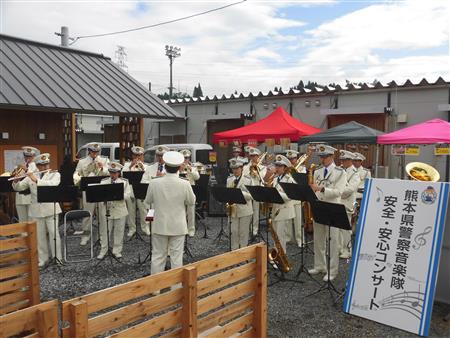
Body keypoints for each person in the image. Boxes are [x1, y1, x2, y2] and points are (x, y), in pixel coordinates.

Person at [145, 151, 196, 282]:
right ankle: (176, 287)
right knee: (176, 257)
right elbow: (191, 202)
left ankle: (156, 288)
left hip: (159, 224)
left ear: (164, 166)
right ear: (179, 167)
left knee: (157, 256)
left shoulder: (154, 182)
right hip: (178, 225)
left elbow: (148, 200)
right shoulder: (184, 183)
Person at [12, 153, 62, 267]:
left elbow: (53, 185)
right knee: (39, 236)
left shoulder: (55, 174)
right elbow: (19, 187)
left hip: (51, 209)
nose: (44, 167)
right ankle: (43, 259)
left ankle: (57, 258)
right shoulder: (31, 176)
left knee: (54, 234)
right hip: (36, 210)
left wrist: (36, 180)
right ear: (38, 166)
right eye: (42, 165)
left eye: (46, 164)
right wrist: (16, 180)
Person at [308, 145, 347, 281]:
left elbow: (338, 192)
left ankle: (332, 271)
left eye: (325, 157)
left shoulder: (340, 172)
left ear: (332, 157)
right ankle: (319, 265)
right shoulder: (317, 171)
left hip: (332, 208)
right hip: (319, 207)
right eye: (321, 157)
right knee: (318, 239)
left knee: (332, 241)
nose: (322, 159)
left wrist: (321, 189)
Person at [73, 143, 109, 246]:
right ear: (89, 151)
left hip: (101, 189)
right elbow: (76, 174)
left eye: (97, 152)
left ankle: (102, 237)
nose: (95, 154)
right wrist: (80, 181)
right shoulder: (82, 161)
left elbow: (109, 173)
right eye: (93, 152)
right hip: (88, 189)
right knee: (87, 214)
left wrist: (102, 168)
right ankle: (85, 236)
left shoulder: (105, 160)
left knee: (102, 215)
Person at [97, 162, 132, 259]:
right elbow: (99, 195)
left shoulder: (124, 182)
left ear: (119, 173)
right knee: (105, 231)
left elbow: (128, 195)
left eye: (115, 173)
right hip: (107, 209)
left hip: (120, 209)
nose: (113, 175)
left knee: (119, 231)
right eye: (111, 172)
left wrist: (118, 194)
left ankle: (117, 250)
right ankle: (103, 250)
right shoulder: (104, 181)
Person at [122, 146, 150, 237]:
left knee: (144, 210)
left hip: (142, 189)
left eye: (139, 155)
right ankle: (132, 229)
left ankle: (145, 228)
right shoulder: (126, 165)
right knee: (130, 210)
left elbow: (149, 177)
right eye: (135, 155)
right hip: (130, 189)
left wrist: (143, 168)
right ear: (132, 156)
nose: (137, 157)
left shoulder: (146, 166)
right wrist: (130, 166)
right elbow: (123, 176)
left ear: (142, 156)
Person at [271, 155, 296, 253]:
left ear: (285, 168)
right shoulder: (275, 179)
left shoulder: (289, 180)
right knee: (275, 236)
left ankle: (281, 257)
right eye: (276, 165)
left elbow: (291, 196)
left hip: (284, 210)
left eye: (280, 166)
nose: (277, 168)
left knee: (281, 236)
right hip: (275, 210)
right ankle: (276, 255)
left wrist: (277, 194)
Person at [227, 158, 253, 250]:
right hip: (233, 210)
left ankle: (243, 253)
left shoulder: (248, 180)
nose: (235, 171)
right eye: (233, 169)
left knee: (243, 233)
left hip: (245, 210)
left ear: (242, 168)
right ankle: (234, 253)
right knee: (233, 232)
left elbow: (251, 196)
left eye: (237, 168)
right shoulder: (229, 179)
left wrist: (239, 193)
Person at [338, 150, 360, 259]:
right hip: (337, 202)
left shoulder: (355, 173)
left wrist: (336, 191)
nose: (343, 162)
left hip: (346, 203)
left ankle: (348, 249)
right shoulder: (340, 170)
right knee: (337, 227)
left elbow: (350, 189)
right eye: (342, 160)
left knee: (346, 228)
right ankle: (340, 248)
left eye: (345, 160)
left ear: (350, 160)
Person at [243, 147, 266, 238]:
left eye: (255, 156)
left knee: (256, 211)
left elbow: (263, 178)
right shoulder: (245, 167)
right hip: (248, 190)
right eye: (251, 156)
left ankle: (255, 230)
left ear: (258, 156)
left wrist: (257, 173)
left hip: (257, 190)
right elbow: (244, 176)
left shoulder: (262, 167)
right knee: (248, 210)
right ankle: (247, 229)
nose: (253, 158)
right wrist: (250, 170)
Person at [13, 146, 39, 222]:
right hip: (20, 197)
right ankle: (23, 234)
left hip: (30, 196)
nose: (28, 158)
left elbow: (34, 178)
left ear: (34, 156)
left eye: (30, 156)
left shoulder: (37, 167)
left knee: (31, 221)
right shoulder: (19, 166)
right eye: (26, 156)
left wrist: (25, 169)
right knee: (22, 221)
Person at [286, 149, 305, 247]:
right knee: (288, 219)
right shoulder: (286, 169)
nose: (291, 161)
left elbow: (302, 182)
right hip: (288, 197)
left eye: (293, 158)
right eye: (289, 159)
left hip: (297, 197)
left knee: (298, 220)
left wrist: (295, 171)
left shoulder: (302, 168)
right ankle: (289, 238)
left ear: (296, 158)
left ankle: (300, 240)